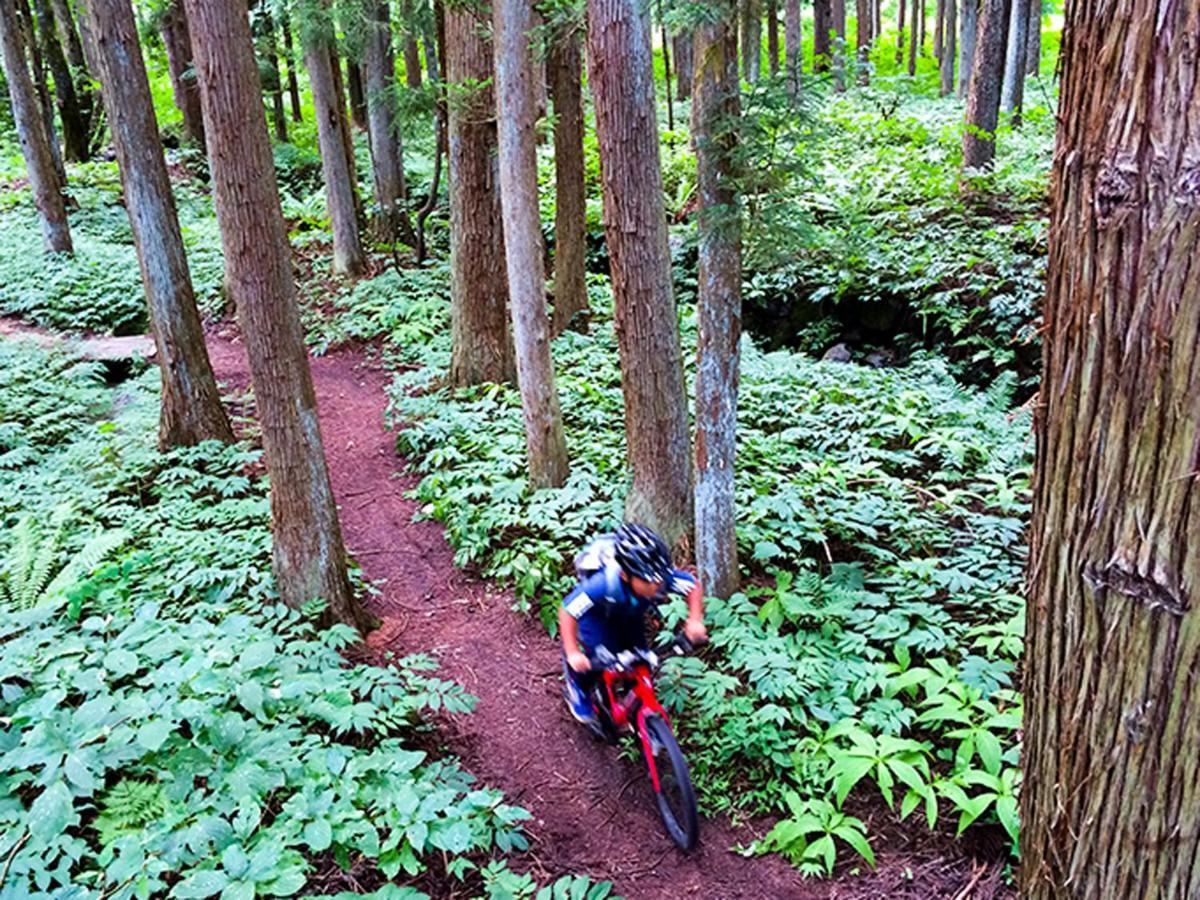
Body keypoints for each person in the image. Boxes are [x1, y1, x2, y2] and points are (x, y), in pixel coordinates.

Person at [560, 523, 708, 729]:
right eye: (649, 581)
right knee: (601, 658)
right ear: (625, 575)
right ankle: (578, 687)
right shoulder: (603, 584)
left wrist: (695, 620)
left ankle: (638, 712)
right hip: (597, 615)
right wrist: (573, 652)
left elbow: (692, 586)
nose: (657, 585)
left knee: (640, 660)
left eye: (660, 578)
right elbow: (569, 610)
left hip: (631, 614)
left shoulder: (658, 578)